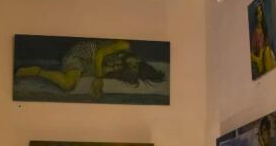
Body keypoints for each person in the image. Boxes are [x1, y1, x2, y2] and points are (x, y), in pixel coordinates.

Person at [16, 39, 165, 100]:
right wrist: (98, 78)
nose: (132, 65)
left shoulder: (123, 68)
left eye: (133, 69)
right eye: (136, 64)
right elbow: (99, 54)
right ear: (139, 60)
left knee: (73, 83)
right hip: (84, 53)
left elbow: (103, 71)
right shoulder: (124, 46)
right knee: (68, 84)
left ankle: (44, 71)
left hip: (86, 65)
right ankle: (37, 71)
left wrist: (99, 80)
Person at [250, 1, 276, 79]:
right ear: (256, 16)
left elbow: (266, 45)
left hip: (265, 55)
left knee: (268, 51)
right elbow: (252, 52)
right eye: (258, 13)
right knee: (267, 51)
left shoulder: (264, 29)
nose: (260, 15)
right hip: (259, 57)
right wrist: (258, 59)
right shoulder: (255, 33)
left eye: (260, 12)